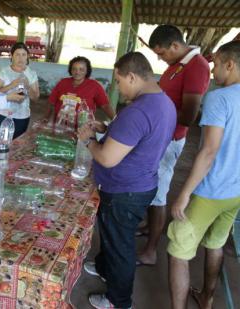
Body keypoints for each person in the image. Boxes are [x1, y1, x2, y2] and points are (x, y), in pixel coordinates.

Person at [80, 52, 176, 309]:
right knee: (113, 237)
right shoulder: (163, 102)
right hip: (142, 183)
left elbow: (107, 158)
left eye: (119, 81)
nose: (118, 89)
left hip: (124, 191)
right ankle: (103, 266)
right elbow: (138, 137)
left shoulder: (138, 111)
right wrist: (108, 129)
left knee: (120, 246)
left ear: (132, 77)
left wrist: (88, 140)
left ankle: (118, 302)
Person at [168, 41, 240, 309]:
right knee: (216, 242)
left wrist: (184, 195)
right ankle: (206, 298)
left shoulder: (219, 98)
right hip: (236, 191)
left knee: (178, 250)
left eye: (217, 65)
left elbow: (209, 152)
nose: (213, 71)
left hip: (212, 189)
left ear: (230, 64)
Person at [137, 24, 211, 266]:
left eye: (162, 53)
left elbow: (189, 115)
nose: (160, 58)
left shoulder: (196, 67)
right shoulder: (175, 66)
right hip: (160, 136)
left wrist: (156, 117)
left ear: (176, 46)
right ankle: (150, 227)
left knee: (159, 194)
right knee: (151, 186)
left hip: (170, 139)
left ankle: (150, 252)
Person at [47, 56, 115, 124]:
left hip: (83, 128)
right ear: (70, 70)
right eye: (74, 69)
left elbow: (105, 106)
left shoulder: (94, 86)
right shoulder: (63, 82)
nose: (77, 72)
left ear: (87, 71)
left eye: (81, 69)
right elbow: (51, 102)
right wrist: (45, 117)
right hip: (60, 125)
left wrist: (116, 120)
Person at [0, 42, 40, 139]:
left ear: (27, 56)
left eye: (23, 55)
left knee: (17, 146)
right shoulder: (4, 72)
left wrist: (28, 86)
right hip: (4, 114)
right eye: (17, 54)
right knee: (3, 143)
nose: (20, 58)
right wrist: (12, 85)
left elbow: (35, 98)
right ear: (12, 56)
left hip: (22, 116)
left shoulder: (31, 73)